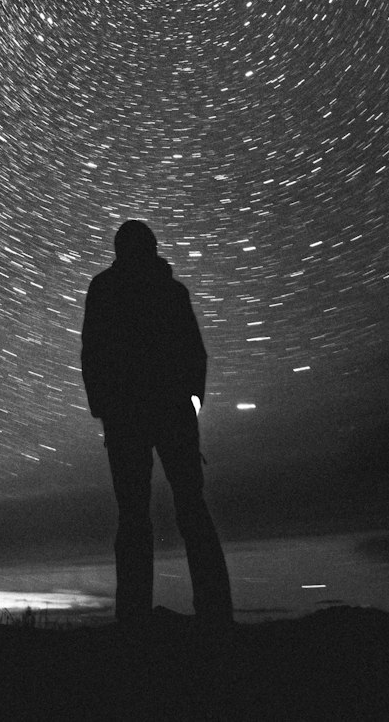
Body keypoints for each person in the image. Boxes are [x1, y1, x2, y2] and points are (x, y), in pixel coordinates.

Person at [81, 218, 233, 631]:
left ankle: (134, 618)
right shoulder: (170, 291)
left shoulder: (105, 289)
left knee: (135, 518)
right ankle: (215, 614)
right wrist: (190, 404)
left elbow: (92, 354)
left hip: (131, 416)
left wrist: (105, 408)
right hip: (167, 414)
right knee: (188, 510)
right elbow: (194, 354)